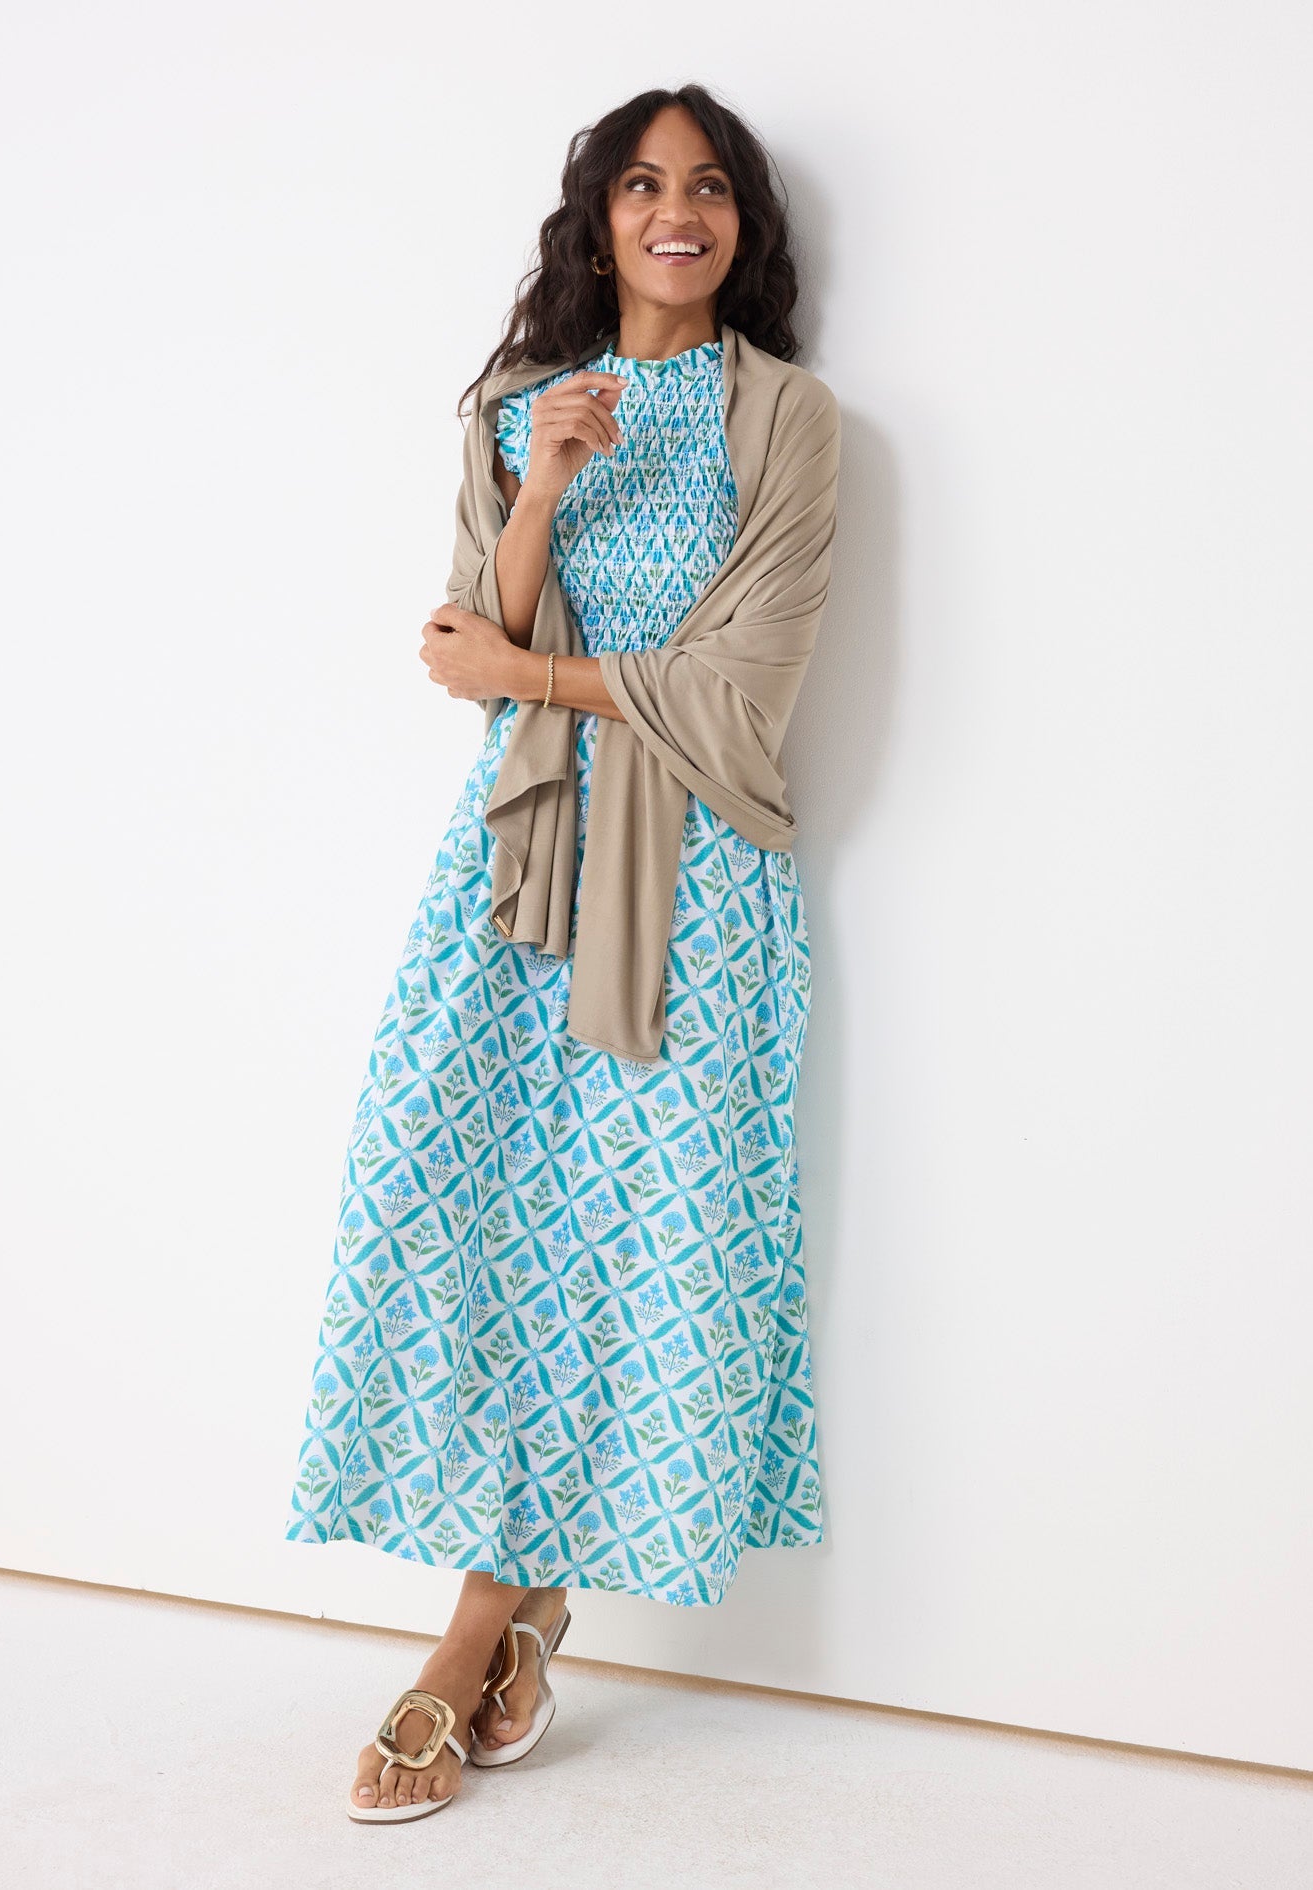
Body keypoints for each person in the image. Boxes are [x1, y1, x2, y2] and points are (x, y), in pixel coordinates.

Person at [283, 81, 843, 1823]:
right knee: (458, 1208)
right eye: (637, 184)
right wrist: (544, 487)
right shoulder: (525, 408)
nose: (674, 210)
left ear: (743, 223)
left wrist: (519, 673)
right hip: (521, 868)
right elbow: (480, 618)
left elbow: (738, 695)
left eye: (708, 187)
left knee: (635, 1242)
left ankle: (469, 1643)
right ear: (592, 217)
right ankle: (511, 1613)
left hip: (700, 889)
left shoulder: (789, 421)